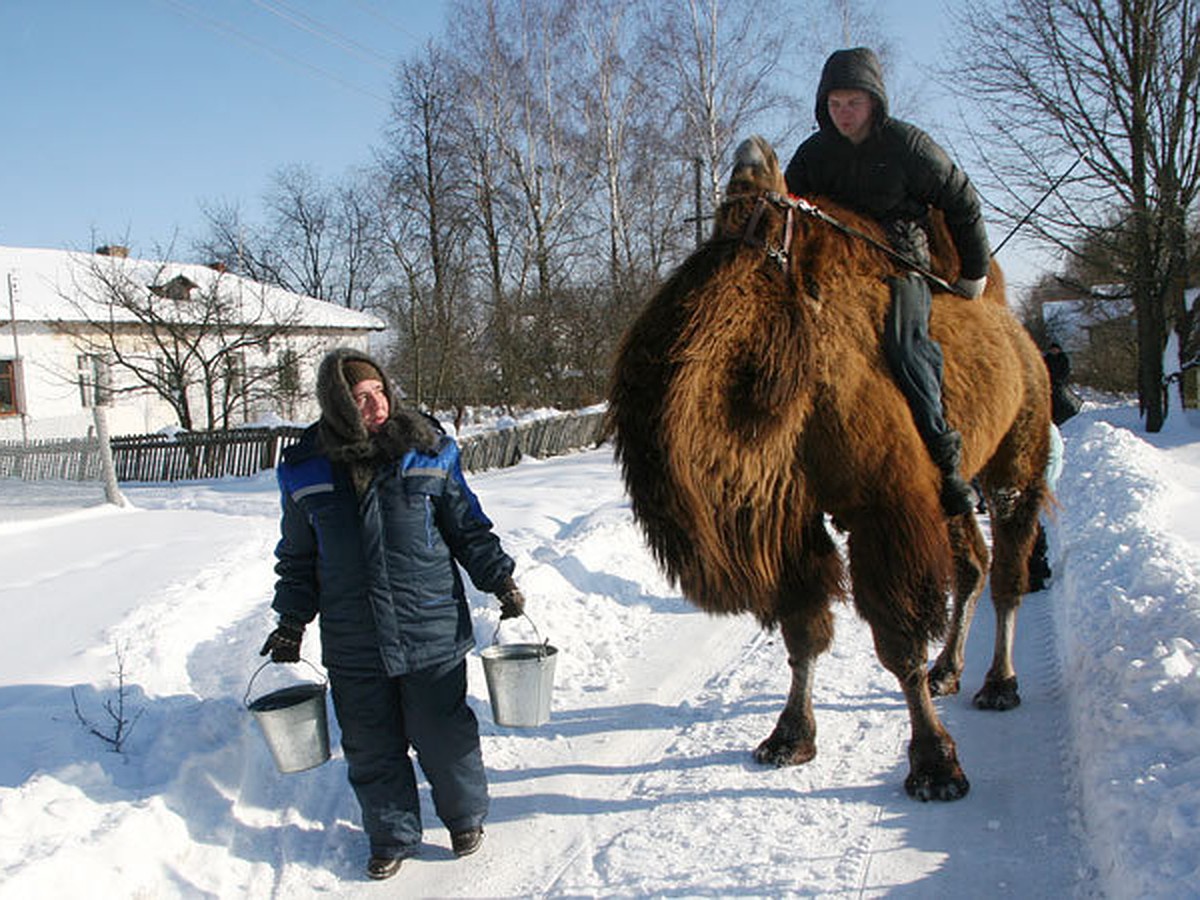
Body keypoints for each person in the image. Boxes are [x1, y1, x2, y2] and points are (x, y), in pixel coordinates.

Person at [260, 347, 526, 881]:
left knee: (442, 732)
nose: (375, 404)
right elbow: (298, 556)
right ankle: (391, 836)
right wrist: (291, 621)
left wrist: (499, 578)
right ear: (338, 403)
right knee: (370, 742)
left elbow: (467, 526)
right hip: (353, 636)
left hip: (428, 624)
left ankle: (464, 818)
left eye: (379, 391)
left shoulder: (426, 449)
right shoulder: (306, 466)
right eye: (360, 398)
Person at [784, 47, 991, 516]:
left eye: (852, 103)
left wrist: (973, 272)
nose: (844, 114)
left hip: (900, 268)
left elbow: (962, 202)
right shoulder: (813, 155)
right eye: (834, 104)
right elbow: (788, 212)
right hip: (837, 276)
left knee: (904, 344)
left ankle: (946, 460)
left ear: (874, 101)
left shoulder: (909, 147)